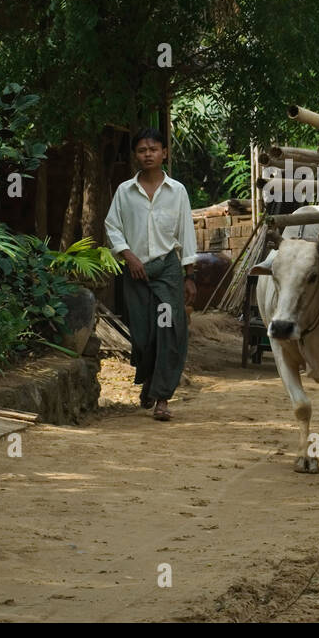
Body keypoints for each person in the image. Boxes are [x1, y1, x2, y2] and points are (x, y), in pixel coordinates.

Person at [104, 127, 197, 421]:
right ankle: (148, 384)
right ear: (135, 156)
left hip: (168, 271)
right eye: (142, 150)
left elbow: (186, 231)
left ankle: (162, 399)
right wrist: (128, 256)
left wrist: (189, 274)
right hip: (136, 272)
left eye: (153, 149)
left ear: (164, 153)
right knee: (143, 336)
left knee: (168, 331)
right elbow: (112, 227)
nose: (148, 154)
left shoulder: (177, 191)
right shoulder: (124, 192)